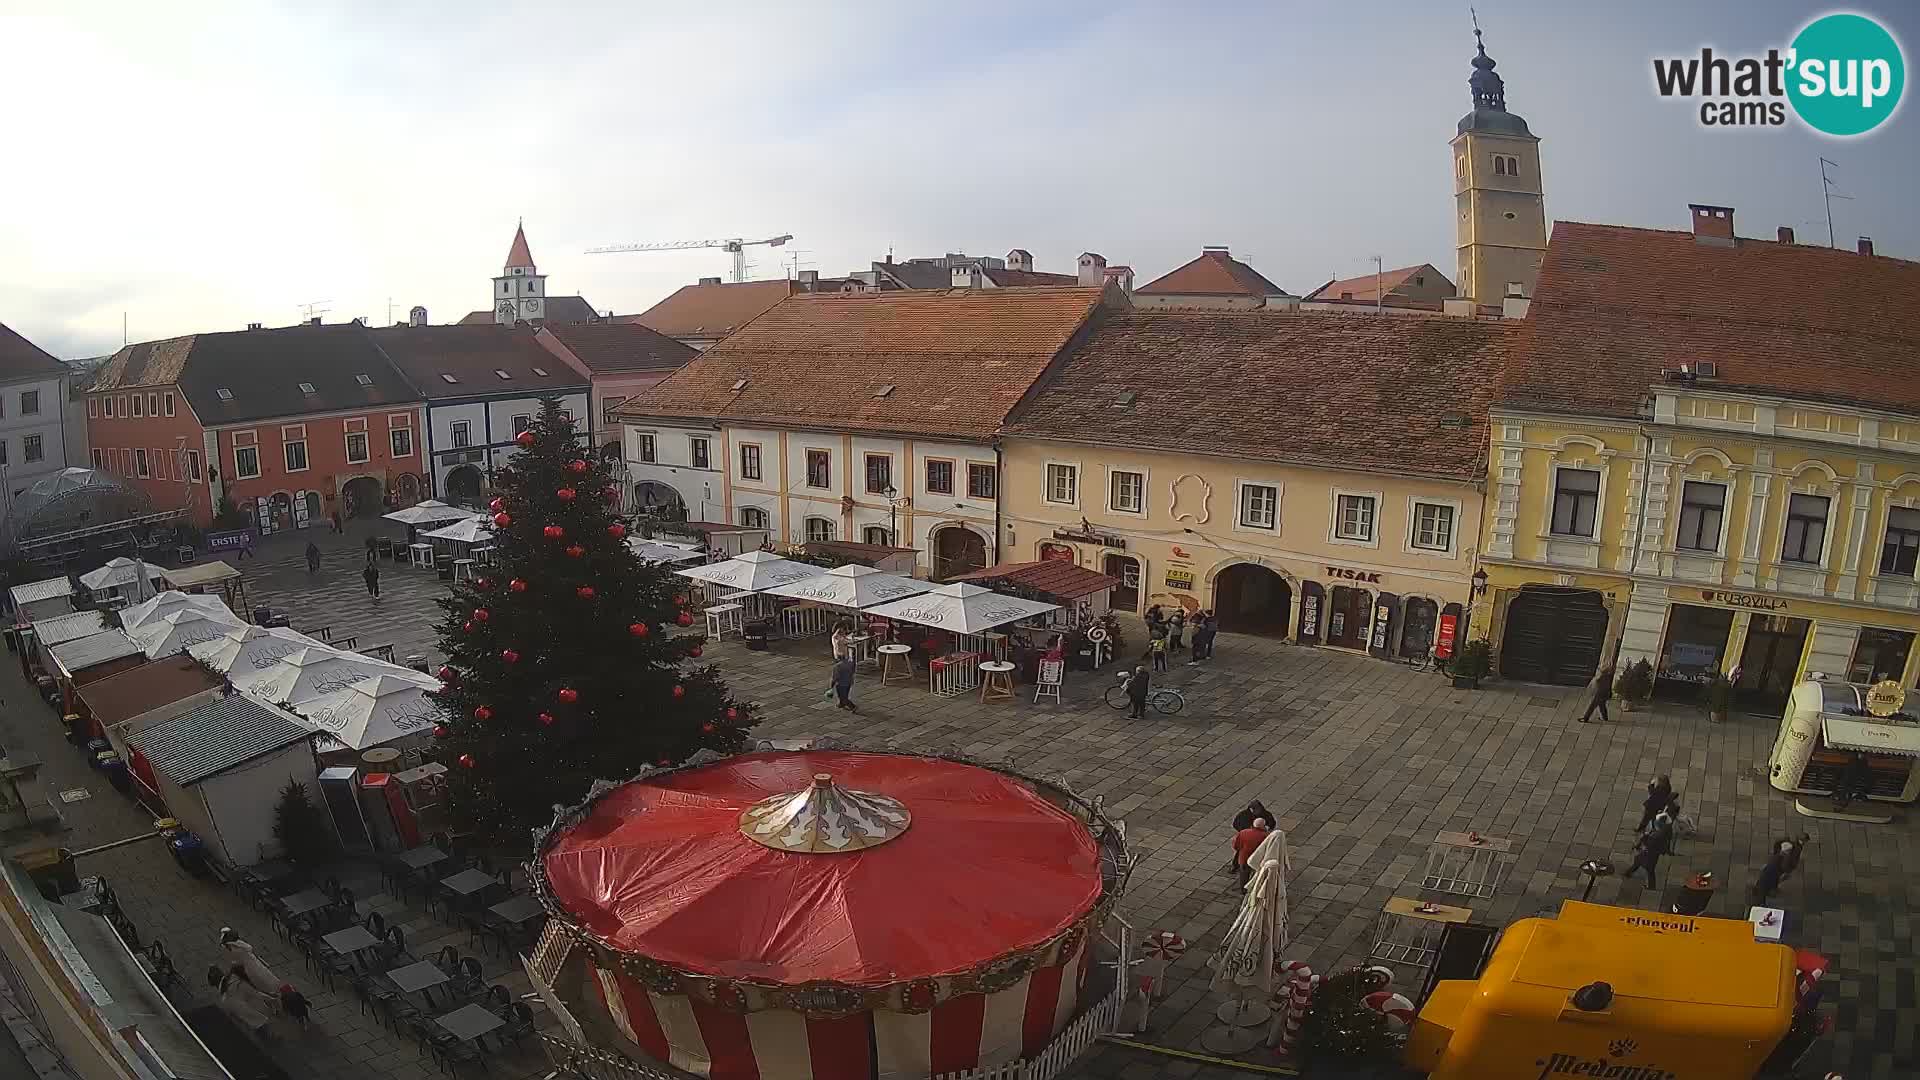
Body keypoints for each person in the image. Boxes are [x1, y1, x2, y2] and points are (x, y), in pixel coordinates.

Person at [219, 928, 282, 996]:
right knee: (265, 975)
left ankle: (269, 991)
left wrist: (232, 968)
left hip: (250, 966)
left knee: (259, 978)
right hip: (254, 962)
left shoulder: (236, 950)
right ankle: (274, 989)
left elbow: (238, 962)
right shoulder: (242, 945)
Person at [1623, 809, 1670, 887]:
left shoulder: (1656, 836)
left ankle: (1651, 886)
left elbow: (1648, 844)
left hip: (1649, 855)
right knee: (1638, 861)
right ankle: (1628, 873)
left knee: (1648, 869)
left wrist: (1645, 838)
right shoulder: (1662, 831)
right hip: (1651, 855)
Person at [1233, 817, 1271, 889]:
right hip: (1257, 859)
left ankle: (1243, 889)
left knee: (1244, 874)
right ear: (1263, 826)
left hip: (1244, 858)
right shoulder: (1265, 836)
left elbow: (1236, 845)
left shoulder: (1243, 832)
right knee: (1257, 874)